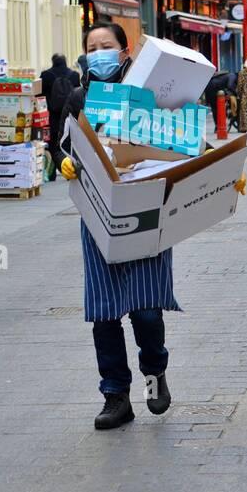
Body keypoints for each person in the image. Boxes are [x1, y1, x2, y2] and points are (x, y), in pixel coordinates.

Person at [57, 22, 178, 430]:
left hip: (147, 214)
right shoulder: (79, 97)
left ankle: (155, 372)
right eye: (92, 47)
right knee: (105, 313)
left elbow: (183, 140)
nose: (99, 52)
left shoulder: (148, 95)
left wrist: (222, 174)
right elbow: (63, 144)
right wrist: (66, 163)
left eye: (106, 45)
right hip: (98, 217)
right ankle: (115, 396)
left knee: (145, 311)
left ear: (125, 52)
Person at [40, 53, 80, 180]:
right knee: (68, 140)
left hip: (51, 116)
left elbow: (39, 94)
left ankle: (51, 173)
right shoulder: (74, 75)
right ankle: (70, 167)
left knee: (51, 143)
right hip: (69, 116)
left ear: (52, 61)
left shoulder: (46, 75)